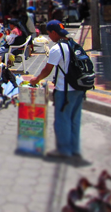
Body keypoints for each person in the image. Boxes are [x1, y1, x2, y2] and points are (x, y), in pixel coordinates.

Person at [29, 20, 84, 159]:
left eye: (49, 34)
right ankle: (74, 148)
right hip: (79, 89)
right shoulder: (74, 44)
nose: (49, 37)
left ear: (54, 32)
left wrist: (36, 80)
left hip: (65, 90)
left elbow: (47, 70)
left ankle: (64, 151)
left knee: (63, 119)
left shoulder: (57, 48)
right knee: (74, 119)